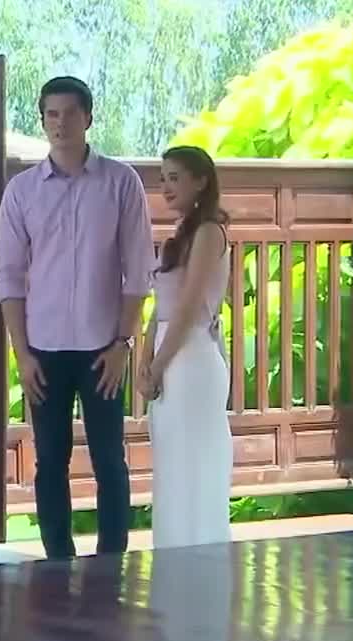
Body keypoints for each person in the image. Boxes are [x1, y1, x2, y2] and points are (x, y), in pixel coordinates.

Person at [0, 76, 155, 559]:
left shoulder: (121, 183)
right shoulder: (22, 191)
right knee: (50, 461)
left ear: (89, 118)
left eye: (69, 113)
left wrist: (123, 343)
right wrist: (21, 353)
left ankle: (112, 561)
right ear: (43, 120)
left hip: (104, 347)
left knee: (109, 459)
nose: (60, 123)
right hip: (43, 348)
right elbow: (7, 275)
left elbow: (138, 269)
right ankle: (57, 562)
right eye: (51, 114)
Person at [138, 145, 233, 549]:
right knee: (172, 465)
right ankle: (173, 559)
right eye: (163, 179)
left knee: (195, 466)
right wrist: (145, 361)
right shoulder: (178, 237)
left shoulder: (210, 232)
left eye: (175, 178)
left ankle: (201, 562)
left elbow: (190, 305)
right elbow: (159, 310)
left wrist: (158, 364)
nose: (166, 186)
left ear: (201, 181)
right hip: (170, 354)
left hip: (192, 359)